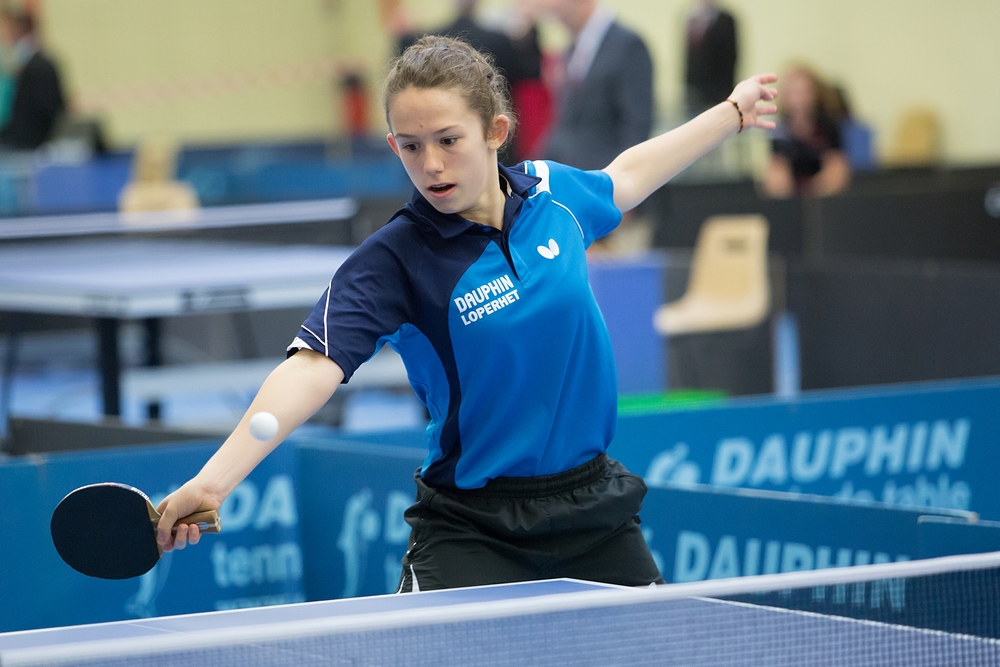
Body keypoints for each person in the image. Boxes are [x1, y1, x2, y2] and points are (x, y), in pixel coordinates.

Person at [156, 36, 777, 591]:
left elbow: (629, 175)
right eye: (411, 146)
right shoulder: (396, 260)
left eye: (448, 140)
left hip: (592, 509)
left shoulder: (553, 196)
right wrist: (213, 482)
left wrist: (733, 112)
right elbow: (311, 366)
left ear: (495, 131)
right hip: (473, 526)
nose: (430, 165)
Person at [541, 0, 654, 172]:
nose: (554, 10)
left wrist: (616, 179)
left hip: (605, 176)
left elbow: (636, 127)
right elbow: (565, 125)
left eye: (561, 6)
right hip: (571, 175)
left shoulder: (628, 46)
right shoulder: (571, 49)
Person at [762, 65, 849, 198]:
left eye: (802, 92)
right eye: (793, 92)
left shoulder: (828, 125)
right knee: (775, 175)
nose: (798, 100)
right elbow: (776, 167)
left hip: (821, 191)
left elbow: (836, 164)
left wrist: (813, 191)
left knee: (836, 170)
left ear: (814, 94)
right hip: (790, 190)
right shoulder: (779, 129)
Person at [0, 7, 65, 150]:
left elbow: (50, 109)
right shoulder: (20, 68)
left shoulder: (38, 67)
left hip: (26, 144)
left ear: (17, 31)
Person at [684, 0, 738, 117]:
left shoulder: (726, 21)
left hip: (719, 91)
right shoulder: (691, 20)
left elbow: (731, 58)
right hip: (695, 91)